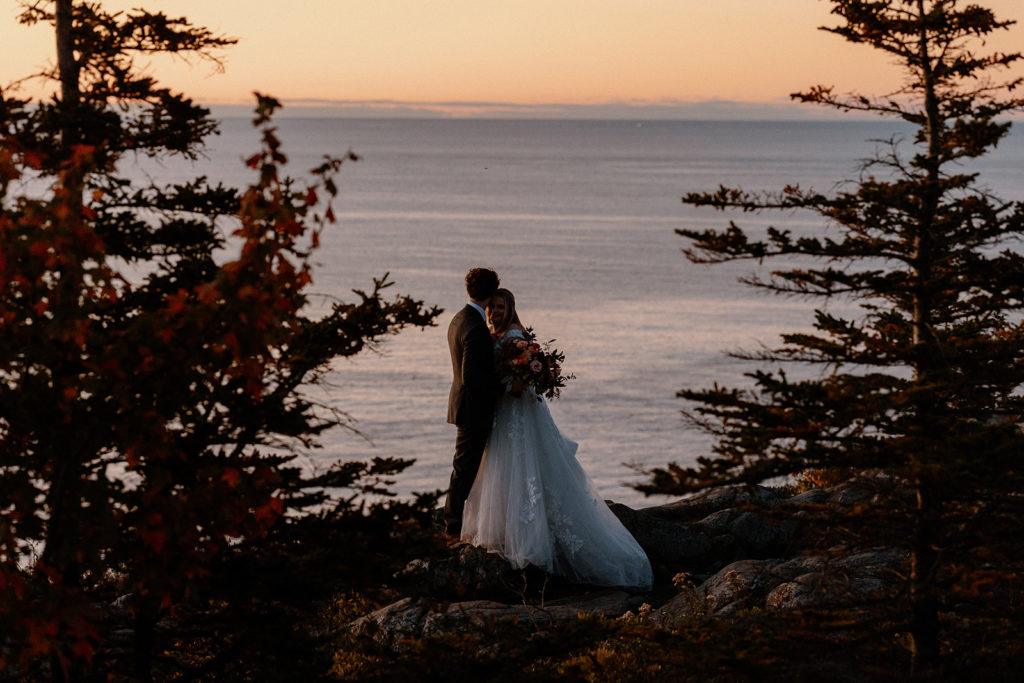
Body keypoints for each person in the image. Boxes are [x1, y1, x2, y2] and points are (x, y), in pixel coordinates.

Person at [461, 288, 653, 589]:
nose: (494, 311)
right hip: (503, 413)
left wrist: (516, 382)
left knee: (522, 466)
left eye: (500, 307)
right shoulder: (492, 333)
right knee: (504, 467)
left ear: (510, 309)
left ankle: (529, 543)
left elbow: (522, 378)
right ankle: (507, 533)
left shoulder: (513, 335)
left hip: (517, 413)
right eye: (492, 306)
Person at [444, 267, 503, 538]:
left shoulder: (459, 318)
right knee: (465, 470)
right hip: (473, 409)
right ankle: (452, 527)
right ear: (491, 295)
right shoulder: (477, 327)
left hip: (462, 404)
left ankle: (454, 523)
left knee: (463, 468)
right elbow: (471, 377)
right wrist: (500, 389)